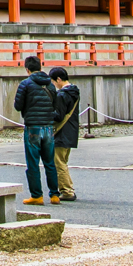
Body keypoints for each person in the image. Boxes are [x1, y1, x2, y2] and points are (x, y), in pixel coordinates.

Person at [13, 54, 60, 205]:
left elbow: (18, 106)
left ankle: (37, 195)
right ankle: (54, 195)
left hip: (33, 126)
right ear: (40, 67)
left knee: (33, 163)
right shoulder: (50, 85)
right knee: (50, 162)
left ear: (27, 69)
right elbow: (55, 106)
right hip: (48, 127)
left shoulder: (25, 84)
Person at [49, 66, 80, 202]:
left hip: (61, 132)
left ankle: (67, 191)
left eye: (53, 82)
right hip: (71, 131)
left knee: (59, 163)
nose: (54, 85)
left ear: (59, 79)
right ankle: (68, 188)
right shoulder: (74, 91)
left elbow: (59, 116)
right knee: (63, 161)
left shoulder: (62, 95)